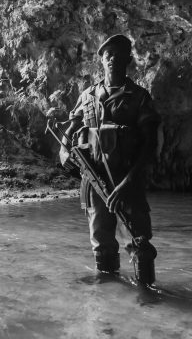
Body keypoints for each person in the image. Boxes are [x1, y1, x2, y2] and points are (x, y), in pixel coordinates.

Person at [59, 34, 160, 279]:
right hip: (95, 184)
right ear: (102, 61)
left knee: (140, 246)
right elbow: (69, 134)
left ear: (128, 60)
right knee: (102, 246)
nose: (112, 58)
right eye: (108, 55)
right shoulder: (87, 97)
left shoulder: (139, 97)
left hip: (128, 182)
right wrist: (64, 154)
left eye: (118, 54)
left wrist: (129, 183)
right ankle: (107, 297)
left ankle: (147, 300)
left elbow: (150, 144)